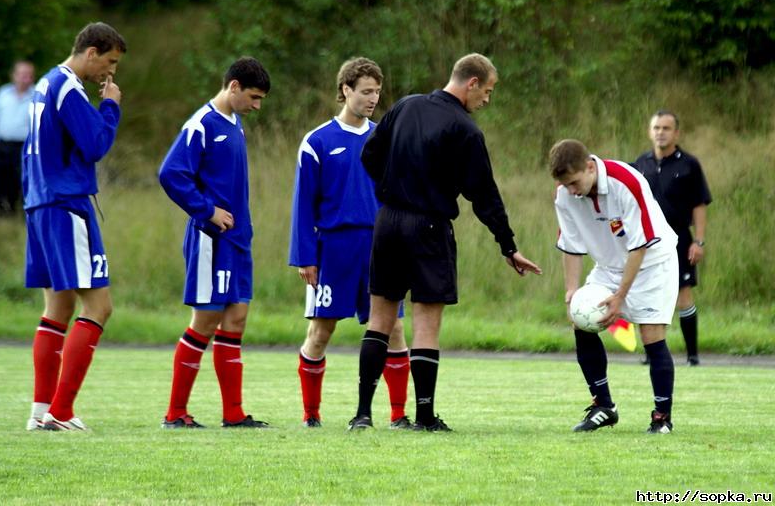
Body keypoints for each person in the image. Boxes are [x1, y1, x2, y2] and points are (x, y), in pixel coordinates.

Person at [348, 53, 542, 432]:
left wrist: (391, 187)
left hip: (387, 222)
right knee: (425, 324)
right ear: (471, 83)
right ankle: (423, 417)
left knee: (380, 319)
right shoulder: (465, 130)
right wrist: (508, 245)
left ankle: (362, 415)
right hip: (430, 227)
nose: (487, 100)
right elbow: (484, 195)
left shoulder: (406, 105)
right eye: (486, 91)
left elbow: (370, 154)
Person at [289, 57, 411, 429]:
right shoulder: (317, 141)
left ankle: (398, 414)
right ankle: (311, 414)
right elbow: (303, 205)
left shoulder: (385, 138)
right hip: (335, 249)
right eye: (366, 91)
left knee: (393, 329)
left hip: (380, 245)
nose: (373, 98)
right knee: (322, 330)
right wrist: (305, 257)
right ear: (346, 90)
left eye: (377, 92)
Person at [23, 22, 126, 431]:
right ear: (90, 52)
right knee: (99, 306)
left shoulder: (42, 87)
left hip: (39, 204)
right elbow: (96, 145)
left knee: (58, 307)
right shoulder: (67, 86)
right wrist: (111, 106)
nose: (110, 73)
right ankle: (61, 413)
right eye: (109, 61)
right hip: (66, 205)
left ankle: (39, 410)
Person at [159, 57, 271, 429]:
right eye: (253, 97)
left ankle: (234, 413)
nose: (257, 106)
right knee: (206, 319)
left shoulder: (234, 123)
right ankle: (175, 413)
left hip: (237, 240)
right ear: (234, 86)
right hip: (211, 239)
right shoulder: (201, 124)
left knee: (236, 318)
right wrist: (207, 210)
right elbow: (171, 174)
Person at [549, 139, 678, 434]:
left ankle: (662, 418)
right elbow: (570, 244)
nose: (571, 190)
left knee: (651, 334)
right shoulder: (564, 196)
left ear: (590, 167)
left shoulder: (627, 182)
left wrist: (620, 296)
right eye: (565, 185)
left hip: (652, 263)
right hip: (608, 267)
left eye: (574, 182)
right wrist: (571, 292)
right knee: (582, 323)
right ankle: (604, 406)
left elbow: (639, 245)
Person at [633, 111, 712, 366]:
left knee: (683, 296)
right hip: (646, 241)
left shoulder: (689, 164)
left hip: (678, 239)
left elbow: (699, 204)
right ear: (649, 131)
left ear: (676, 133)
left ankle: (692, 356)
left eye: (666, 128)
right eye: (656, 127)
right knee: (647, 297)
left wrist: (698, 241)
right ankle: (651, 354)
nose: (660, 132)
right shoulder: (640, 164)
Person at [0, 60, 35, 215]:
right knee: (0, 179)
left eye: (27, 75)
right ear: (13, 76)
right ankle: (3, 213)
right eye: (21, 74)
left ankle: (20, 215)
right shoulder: (2, 93)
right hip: (1, 145)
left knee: (19, 182)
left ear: (32, 78)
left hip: (23, 147)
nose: (23, 79)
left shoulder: (37, 96)